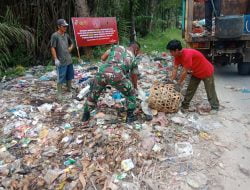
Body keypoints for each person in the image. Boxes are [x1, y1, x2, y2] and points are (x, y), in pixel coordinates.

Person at [82, 42, 141, 123]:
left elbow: (103, 58)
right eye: (137, 52)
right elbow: (134, 75)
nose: (137, 54)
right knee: (131, 93)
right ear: (136, 49)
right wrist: (134, 87)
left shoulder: (116, 47)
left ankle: (85, 115)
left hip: (102, 72)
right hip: (117, 75)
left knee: (93, 94)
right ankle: (130, 116)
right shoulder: (133, 58)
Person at [166, 39, 219, 113]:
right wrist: (171, 80)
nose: (170, 53)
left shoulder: (187, 55)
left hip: (206, 71)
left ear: (177, 50)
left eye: (171, 51)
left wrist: (178, 83)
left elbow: (184, 72)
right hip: (196, 73)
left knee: (210, 90)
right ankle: (185, 106)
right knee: (190, 89)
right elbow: (175, 68)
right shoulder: (177, 56)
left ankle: (215, 107)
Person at [50, 19, 74, 99]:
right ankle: (59, 93)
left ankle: (69, 88)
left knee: (69, 75)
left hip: (68, 59)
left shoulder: (66, 35)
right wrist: (55, 59)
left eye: (66, 26)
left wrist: (70, 48)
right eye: (63, 26)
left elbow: (72, 43)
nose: (65, 28)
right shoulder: (55, 36)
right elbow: (53, 48)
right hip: (61, 60)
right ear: (59, 26)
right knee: (61, 76)